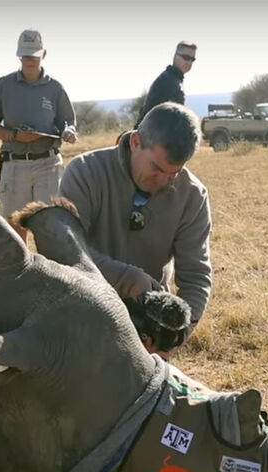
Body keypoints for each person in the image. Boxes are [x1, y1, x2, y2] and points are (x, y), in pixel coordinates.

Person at [58, 102, 213, 338]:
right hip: (83, 309)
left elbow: (196, 276)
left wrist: (178, 333)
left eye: (174, 172)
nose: (163, 180)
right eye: (156, 168)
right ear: (136, 142)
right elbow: (63, 250)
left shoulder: (192, 195)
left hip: (146, 320)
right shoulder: (85, 172)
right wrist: (127, 279)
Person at [0, 29, 77, 233]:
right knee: (15, 230)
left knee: (51, 228)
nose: (30, 59)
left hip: (48, 165)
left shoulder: (55, 88)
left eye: (34, 54)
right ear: (19, 55)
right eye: (26, 55)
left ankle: (51, 266)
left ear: (44, 54)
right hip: (15, 164)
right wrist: (15, 136)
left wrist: (69, 131)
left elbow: (68, 121)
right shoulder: (4, 85)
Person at [137, 41, 197, 125]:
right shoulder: (168, 81)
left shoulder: (173, 79)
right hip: (153, 134)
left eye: (192, 59)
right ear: (175, 56)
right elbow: (158, 117)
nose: (189, 62)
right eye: (186, 57)